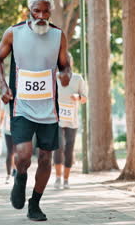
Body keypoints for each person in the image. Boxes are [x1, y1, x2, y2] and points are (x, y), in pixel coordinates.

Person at [0, 0, 72, 221]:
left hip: (49, 107)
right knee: (23, 154)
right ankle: (20, 177)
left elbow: (65, 65)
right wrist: (2, 86)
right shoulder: (14, 33)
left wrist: (67, 74)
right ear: (30, 11)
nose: (41, 15)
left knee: (46, 158)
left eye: (45, 11)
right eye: (37, 11)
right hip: (21, 105)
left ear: (50, 12)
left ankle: (35, 203)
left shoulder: (59, 35)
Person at [53, 54, 87, 189]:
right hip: (58, 120)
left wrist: (78, 97)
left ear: (71, 62)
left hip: (72, 120)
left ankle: (66, 179)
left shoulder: (78, 79)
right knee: (58, 147)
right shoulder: (54, 77)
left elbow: (85, 98)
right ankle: (57, 178)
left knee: (69, 150)